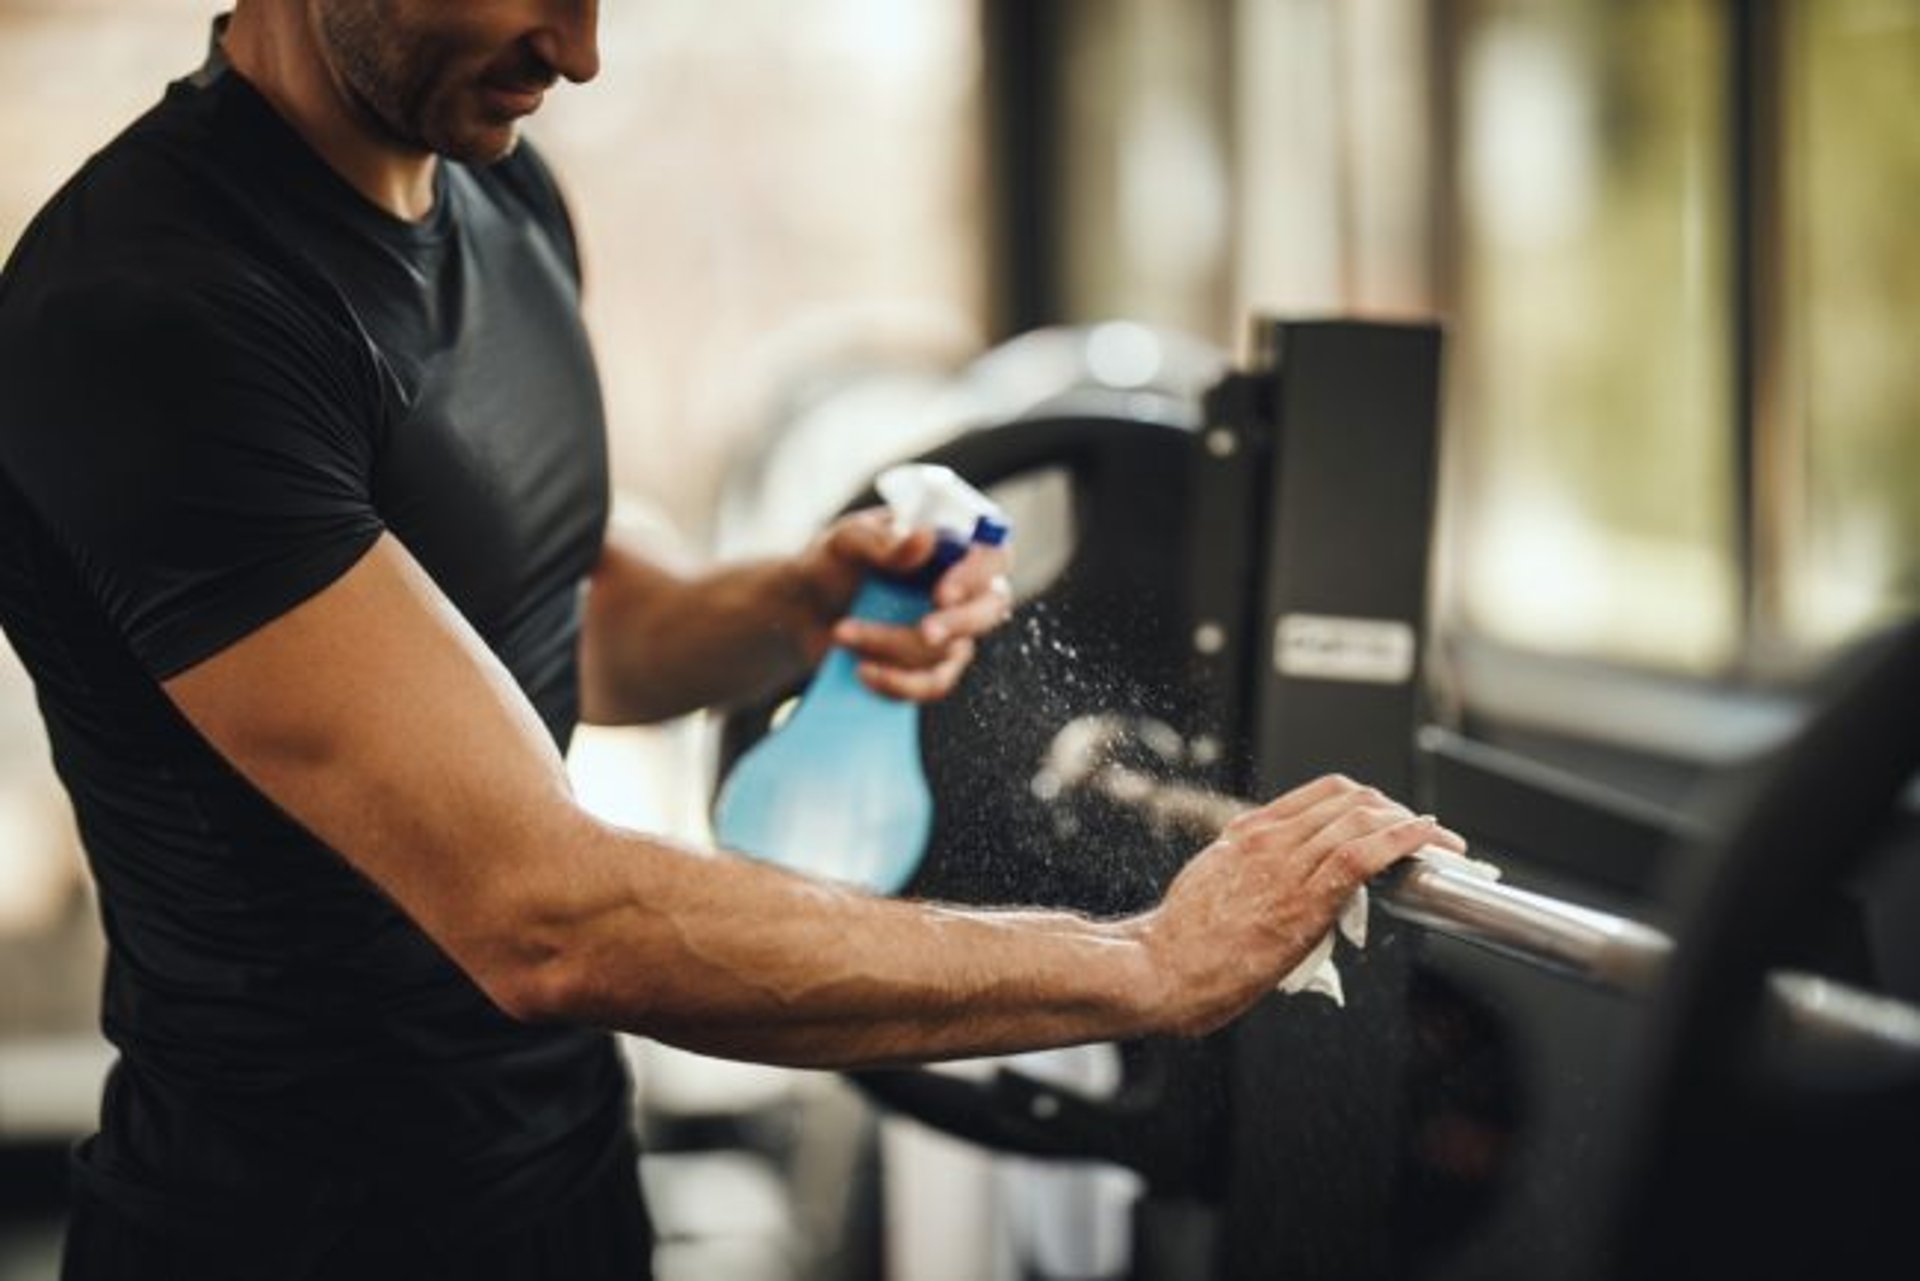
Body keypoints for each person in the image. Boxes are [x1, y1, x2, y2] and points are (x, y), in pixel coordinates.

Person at [0, 3, 1466, 1278]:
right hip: (291, 1238)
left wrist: (787, 608)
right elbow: (541, 915)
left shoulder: (498, 193)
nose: (578, 51)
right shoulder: (152, 316)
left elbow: (554, 623)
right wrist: (1147, 961)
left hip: (565, 1182)